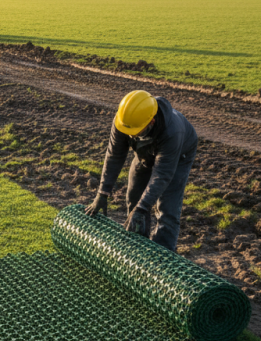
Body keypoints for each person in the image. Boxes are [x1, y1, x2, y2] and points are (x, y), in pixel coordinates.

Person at [85, 90, 198, 252]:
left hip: (179, 155)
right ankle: (138, 247)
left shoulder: (173, 132)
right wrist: (102, 193)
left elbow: (162, 174)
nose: (130, 137)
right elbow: (114, 156)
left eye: (135, 133)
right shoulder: (125, 122)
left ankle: (162, 257)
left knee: (167, 208)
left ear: (151, 122)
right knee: (134, 196)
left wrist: (143, 207)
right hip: (145, 152)